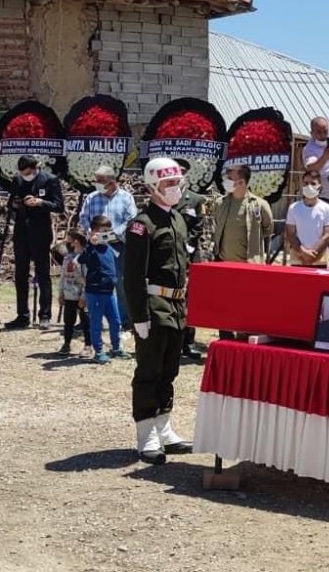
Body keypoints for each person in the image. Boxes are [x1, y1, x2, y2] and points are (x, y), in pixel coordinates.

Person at [125, 157, 194, 465]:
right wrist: (139, 316)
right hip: (154, 307)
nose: (175, 188)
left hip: (176, 306)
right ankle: (146, 435)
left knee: (169, 370)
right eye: (169, 183)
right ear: (153, 186)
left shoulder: (177, 219)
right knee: (149, 371)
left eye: (177, 182)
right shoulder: (142, 225)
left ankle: (164, 428)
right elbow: (133, 275)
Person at [6, 155, 64, 331]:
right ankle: (22, 315)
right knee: (21, 275)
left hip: (40, 232)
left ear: (35, 168)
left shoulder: (49, 180)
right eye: (22, 173)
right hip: (21, 232)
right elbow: (10, 203)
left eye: (28, 173)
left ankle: (45, 315)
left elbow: (58, 205)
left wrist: (40, 202)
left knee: (43, 274)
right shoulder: (17, 180)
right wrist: (15, 205)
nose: (25, 176)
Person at [77, 165, 137, 331]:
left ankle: (124, 320)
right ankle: (90, 319)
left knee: (120, 283)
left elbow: (130, 220)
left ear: (112, 181)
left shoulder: (126, 198)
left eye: (100, 181)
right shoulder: (91, 198)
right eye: (96, 180)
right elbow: (83, 219)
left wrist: (108, 236)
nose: (97, 183)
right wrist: (91, 233)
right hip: (95, 247)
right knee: (92, 282)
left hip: (118, 247)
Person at [172, 159, 209, 360]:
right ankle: (172, 341)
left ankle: (188, 342)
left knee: (190, 299)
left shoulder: (195, 199)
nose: (179, 176)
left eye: (182, 172)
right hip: (169, 255)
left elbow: (198, 226)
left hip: (189, 254)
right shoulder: (165, 197)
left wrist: (187, 247)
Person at [80, 215, 128, 365]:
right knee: (96, 323)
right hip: (95, 292)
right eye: (103, 230)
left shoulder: (109, 247)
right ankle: (99, 351)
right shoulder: (91, 248)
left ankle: (116, 348)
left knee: (115, 321)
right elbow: (81, 259)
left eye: (109, 230)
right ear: (94, 231)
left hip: (109, 292)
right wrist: (90, 243)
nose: (107, 233)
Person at [212, 165, 274, 264]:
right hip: (223, 263)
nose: (226, 181)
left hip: (249, 265)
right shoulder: (220, 203)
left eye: (230, 179)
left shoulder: (260, 205)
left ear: (241, 182)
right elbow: (216, 224)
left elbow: (268, 229)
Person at [303, 116, 329, 257]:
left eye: (325, 131)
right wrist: (326, 156)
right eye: (318, 132)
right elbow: (311, 168)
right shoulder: (310, 148)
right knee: (321, 236)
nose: (322, 135)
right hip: (322, 198)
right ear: (312, 132)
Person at [285, 171, 329, 268]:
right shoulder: (293, 208)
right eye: (306, 183)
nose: (309, 186)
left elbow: (328, 235)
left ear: (320, 187)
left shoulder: (327, 208)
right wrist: (303, 252)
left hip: (319, 260)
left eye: (313, 183)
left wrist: (312, 255)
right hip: (298, 259)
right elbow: (290, 234)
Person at [57, 230, 90, 357]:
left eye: (69, 238)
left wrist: (84, 296)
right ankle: (66, 343)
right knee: (68, 321)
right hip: (69, 294)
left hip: (82, 295)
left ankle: (88, 345)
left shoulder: (85, 258)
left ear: (76, 241)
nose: (67, 241)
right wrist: (61, 293)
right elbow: (62, 276)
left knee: (86, 321)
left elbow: (87, 278)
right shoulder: (67, 258)